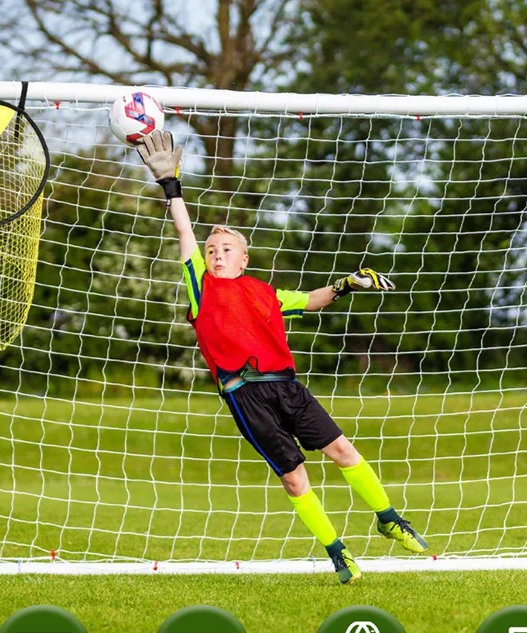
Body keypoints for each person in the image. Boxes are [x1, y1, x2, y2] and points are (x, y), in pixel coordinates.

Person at [136, 130, 428, 584]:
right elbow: (184, 230)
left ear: (244, 258)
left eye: (226, 247)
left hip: (289, 388)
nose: (216, 252)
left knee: (343, 450)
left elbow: (312, 300)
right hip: (245, 395)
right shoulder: (201, 287)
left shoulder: (266, 293)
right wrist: (170, 186)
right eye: (211, 249)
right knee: (295, 479)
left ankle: (388, 517)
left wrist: (346, 285)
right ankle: (338, 551)